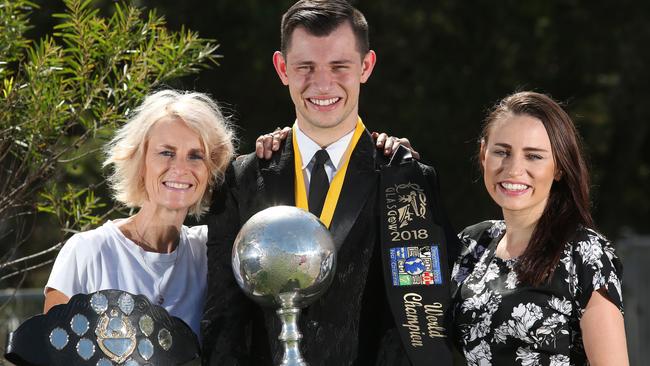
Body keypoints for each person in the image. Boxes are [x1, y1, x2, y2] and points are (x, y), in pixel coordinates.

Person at [201, 1, 457, 365]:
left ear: (366, 66)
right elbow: (224, 321)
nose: (322, 83)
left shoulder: (407, 181)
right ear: (282, 68)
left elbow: (423, 319)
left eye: (340, 66)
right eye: (305, 67)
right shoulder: (243, 178)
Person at [451, 91, 628, 365]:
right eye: (502, 152)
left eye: (533, 156)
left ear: (558, 168)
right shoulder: (472, 244)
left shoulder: (585, 253)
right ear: (483, 154)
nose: (514, 169)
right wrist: (393, 170)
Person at [43, 89, 235, 336]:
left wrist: (279, 145)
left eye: (196, 156)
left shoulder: (209, 252)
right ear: (140, 160)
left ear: (211, 170)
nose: (180, 168)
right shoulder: (87, 252)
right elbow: (52, 351)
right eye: (166, 152)